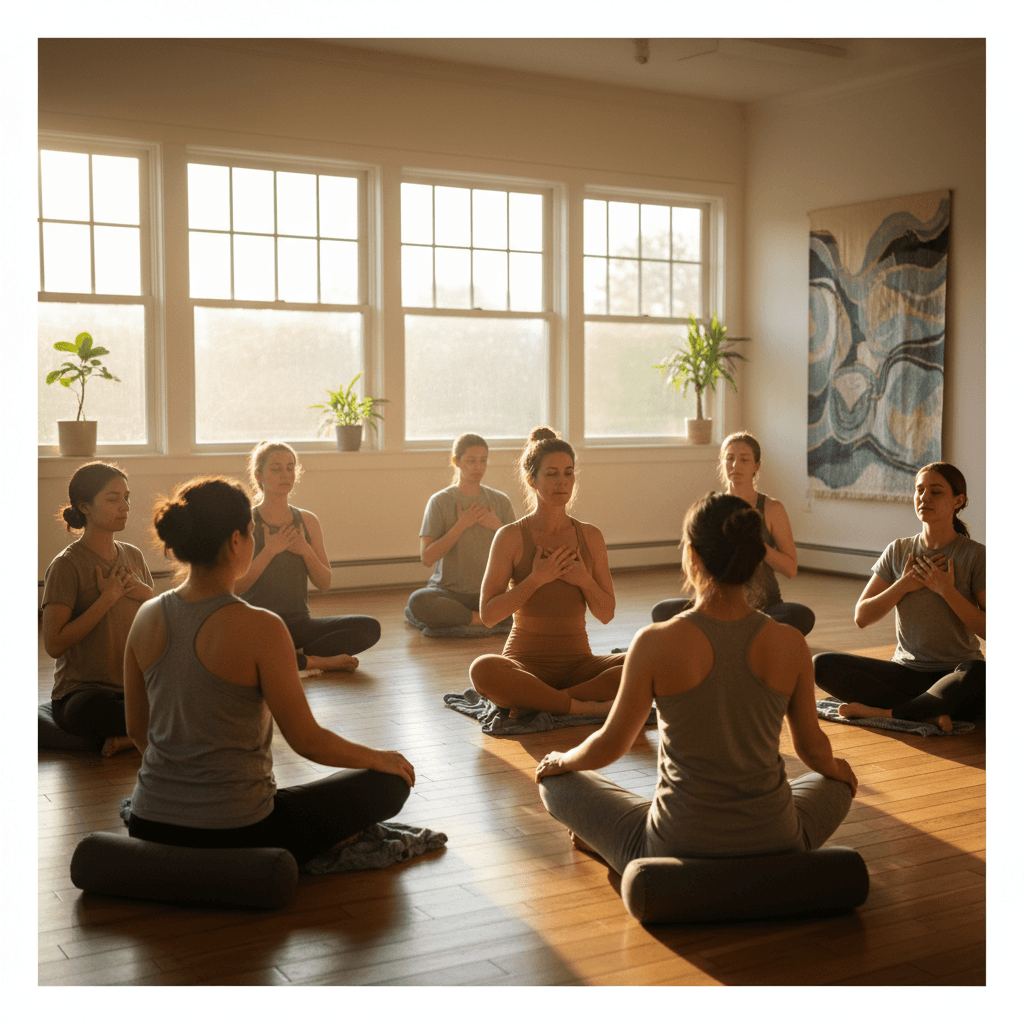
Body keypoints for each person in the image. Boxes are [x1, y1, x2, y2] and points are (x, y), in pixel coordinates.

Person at [535, 492, 857, 875]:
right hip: (778, 838)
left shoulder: (654, 642)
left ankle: (618, 848)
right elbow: (814, 751)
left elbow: (610, 745)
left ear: (692, 556)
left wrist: (561, 761)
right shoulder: (791, 643)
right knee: (837, 781)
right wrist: (841, 771)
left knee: (556, 784)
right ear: (756, 558)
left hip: (675, 842)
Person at [123, 476, 414, 863]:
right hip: (242, 830)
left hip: (149, 820)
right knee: (388, 784)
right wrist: (381, 759)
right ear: (237, 541)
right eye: (252, 532)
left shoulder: (145, 615)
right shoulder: (262, 627)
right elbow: (306, 740)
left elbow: (136, 731)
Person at [813, 463, 985, 732]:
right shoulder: (899, 550)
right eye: (919, 490)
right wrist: (903, 585)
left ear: (958, 500)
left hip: (954, 673)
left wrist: (947, 591)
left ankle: (890, 712)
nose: (924, 497)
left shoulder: (975, 555)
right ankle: (925, 711)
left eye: (935, 491)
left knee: (981, 675)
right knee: (821, 665)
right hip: (906, 672)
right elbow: (862, 617)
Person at [469, 427, 625, 716]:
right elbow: (489, 615)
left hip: (580, 666)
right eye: (552, 474)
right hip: (525, 664)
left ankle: (548, 701)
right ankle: (580, 707)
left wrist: (583, 580)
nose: (562, 482)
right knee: (483, 669)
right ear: (532, 479)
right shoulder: (511, 536)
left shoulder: (591, 536)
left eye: (568, 473)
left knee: (644, 661)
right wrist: (537, 579)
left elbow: (606, 614)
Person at [235, 442, 380, 673]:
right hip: (260, 625)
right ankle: (314, 661)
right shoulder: (245, 522)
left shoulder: (308, 521)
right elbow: (234, 587)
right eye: (276, 469)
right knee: (241, 644)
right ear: (258, 475)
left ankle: (292, 657)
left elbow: (325, 583)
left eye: (290, 468)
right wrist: (270, 551)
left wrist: (305, 550)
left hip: (299, 624)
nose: (285, 475)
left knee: (369, 627)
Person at [651, 431, 815, 636]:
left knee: (802, 615)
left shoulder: (773, 509)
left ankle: (722, 634)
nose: (736, 465)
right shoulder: (711, 508)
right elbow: (692, 566)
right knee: (663, 611)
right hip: (717, 606)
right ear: (722, 463)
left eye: (744, 459)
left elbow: (790, 569)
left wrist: (757, 545)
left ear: (757, 466)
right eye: (729, 458)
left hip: (764, 609)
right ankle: (741, 634)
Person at [41, 462, 155, 756]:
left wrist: (147, 593)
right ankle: (143, 734)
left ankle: (128, 739)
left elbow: (157, 622)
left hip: (131, 687)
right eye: (113, 498)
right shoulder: (67, 565)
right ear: (85, 507)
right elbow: (54, 644)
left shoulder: (133, 555)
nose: (125, 506)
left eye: (126, 497)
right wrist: (107, 599)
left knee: (192, 693)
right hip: (82, 693)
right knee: (94, 710)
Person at [406, 433, 516, 631]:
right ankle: (483, 620)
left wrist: (498, 527)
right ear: (456, 461)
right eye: (471, 460)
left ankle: (472, 617)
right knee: (418, 602)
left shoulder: (501, 501)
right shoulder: (439, 502)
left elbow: (520, 553)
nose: (478, 467)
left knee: (539, 596)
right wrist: (461, 525)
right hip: (448, 592)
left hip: (488, 594)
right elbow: (427, 558)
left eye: (483, 461)